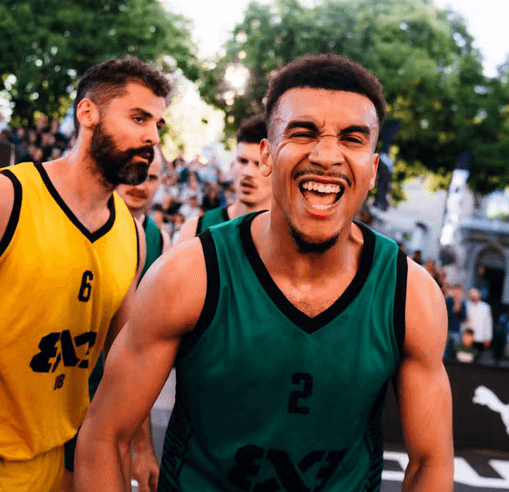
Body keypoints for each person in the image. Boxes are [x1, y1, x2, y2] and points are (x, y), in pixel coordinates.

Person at [75, 54, 454, 492]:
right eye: (303, 132)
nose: (327, 155)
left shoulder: (410, 295)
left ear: (372, 168)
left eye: (352, 138)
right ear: (267, 154)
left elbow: (431, 462)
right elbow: (105, 436)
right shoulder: (189, 274)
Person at [0, 55, 170, 491]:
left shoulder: (132, 236)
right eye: (139, 118)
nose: (151, 137)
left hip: (45, 474)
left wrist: (140, 446)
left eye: (159, 125)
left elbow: (126, 363)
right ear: (88, 113)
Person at [60, 148, 171, 492]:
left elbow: (143, 357)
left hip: (108, 403)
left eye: (151, 177)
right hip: (58, 391)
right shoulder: (79, 221)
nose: (141, 185)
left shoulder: (158, 241)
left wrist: (143, 444)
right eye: (136, 174)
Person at [178, 113, 272, 239]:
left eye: (258, 164)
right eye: (243, 161)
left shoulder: (290, 236)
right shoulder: (196, 229)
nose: (247, 172)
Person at [464, 287, 493, 360]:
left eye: (475, 295)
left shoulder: (485, 307)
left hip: (480, 337)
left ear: (479, 296)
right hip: (469, 337)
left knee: (478, 357)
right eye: (472, 295)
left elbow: (488, 323)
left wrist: (488, 337)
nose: (473, 297)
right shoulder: (467, 305)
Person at [444, 283, 467, 359]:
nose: (457, 292)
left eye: (459, 291)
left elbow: (463, 317)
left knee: (456, 349)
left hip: (457, 330)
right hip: (447, 329)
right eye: (456, 290)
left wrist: (459, 309)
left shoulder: (462, 303)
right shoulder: (449, 301)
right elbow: (446, 315)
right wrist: (453, 310)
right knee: (445, 349)